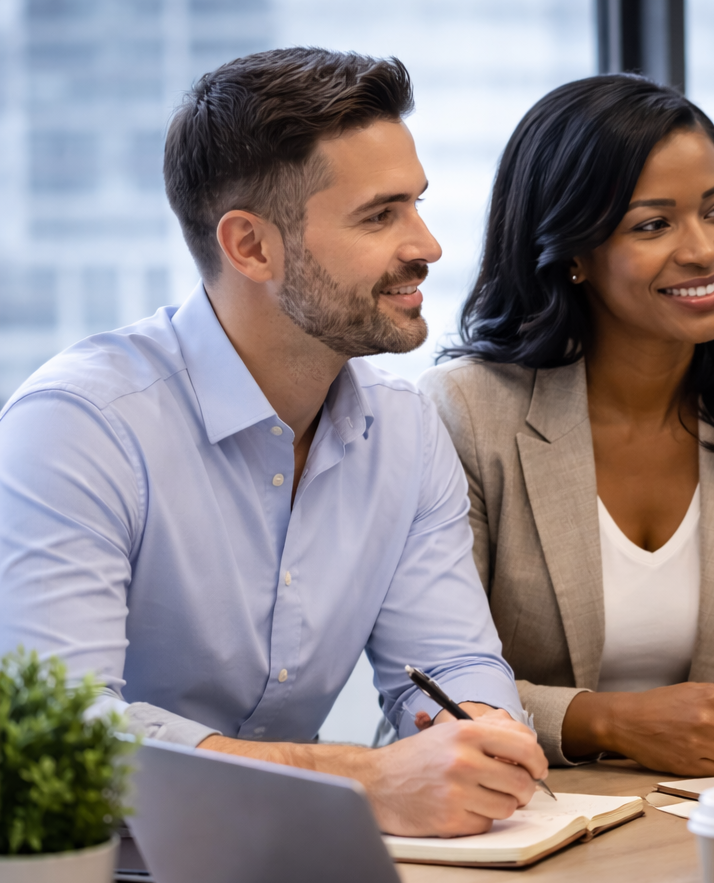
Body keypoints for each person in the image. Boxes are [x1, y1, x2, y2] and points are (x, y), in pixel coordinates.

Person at [0, 48, 548, 838]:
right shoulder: (79, 425)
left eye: (418, 205)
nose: (427, 245)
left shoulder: (403, 428)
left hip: (294, 865)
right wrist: (363, 780)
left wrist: (483, 737)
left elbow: (448, 663)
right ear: (251, 247)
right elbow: (69, 735)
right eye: (380, 214)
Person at [419, 75, 714, 777]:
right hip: (536, 814)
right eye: (653, 225)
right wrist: (614, 723)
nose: (705, 250)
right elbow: (435, 691)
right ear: (571, 251)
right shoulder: (466, 413)